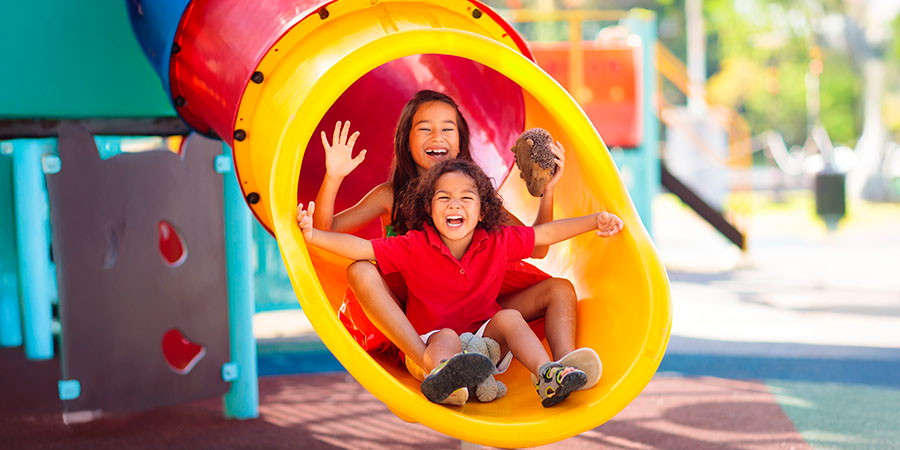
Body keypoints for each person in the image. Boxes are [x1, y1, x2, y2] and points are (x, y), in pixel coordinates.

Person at [313, 90, 601, 390]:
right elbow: (326, 231)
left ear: (460, 141)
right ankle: (428, 362)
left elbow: (539, 246)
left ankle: (563, 370)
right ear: (406, 140)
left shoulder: (474, 198)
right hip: (423, 321)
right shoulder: (391, 195)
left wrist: (548, 191)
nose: (437, 136)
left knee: (559, 289)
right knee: (360, 268)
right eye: (424, 128)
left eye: (448, 129)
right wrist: (333, 176)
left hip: (476, 308)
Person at [297, 159, 624, 407]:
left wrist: (594, 221)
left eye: (467, 198)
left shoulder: (497, 240)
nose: (455, 204)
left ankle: (548, 373)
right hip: (430, 344)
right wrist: (313, 236)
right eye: (444, 198)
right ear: (428, 208)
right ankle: (443, 378)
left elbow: (545, 235)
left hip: (484, 341)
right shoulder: (414, 245)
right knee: (447, 335)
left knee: (508, 318)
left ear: (483, 211)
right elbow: (361, 249)